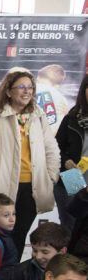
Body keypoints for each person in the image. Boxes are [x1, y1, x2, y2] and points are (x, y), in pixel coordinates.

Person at [0, 70, 60, 258]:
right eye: (21, 87)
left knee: (20, 235)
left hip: (32, 188)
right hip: (3, 188)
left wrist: (51, 176)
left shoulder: (39, 115)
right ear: (8, 91)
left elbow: (51, 148)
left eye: (30, 87)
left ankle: (11, 277)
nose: (26, 91)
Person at [0, 221, 70, 280]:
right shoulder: (21, 271)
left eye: (45, 252)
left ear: (62, 252)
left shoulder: (74, 273)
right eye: (34, 250)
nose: (38, 256)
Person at [55, 73, 88, 231]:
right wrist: (65, 161)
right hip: (73, 176)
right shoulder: (71, 118)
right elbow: (55, 149)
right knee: (71, 227)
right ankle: (68, 256)